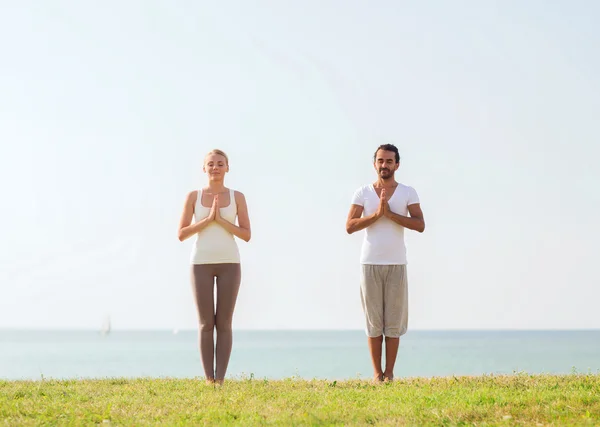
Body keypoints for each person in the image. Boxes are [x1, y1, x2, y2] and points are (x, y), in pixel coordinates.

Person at [346, 144, 425, 382]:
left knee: (393, 321)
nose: (384, 165)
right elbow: (350, 226)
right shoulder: (362, 193)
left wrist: (390, 215)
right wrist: (377, 215)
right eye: (381, 161)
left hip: (397, 264)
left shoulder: (407, 192)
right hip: (369, 264)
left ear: (397, 165)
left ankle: (389, 373)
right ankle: (377, 374)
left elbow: (420, 224)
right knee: (373, 322)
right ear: (374, 164)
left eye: (389, 161)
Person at [177, 149, 251, 385]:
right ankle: (209, 379)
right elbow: (181, 234)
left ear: (227, 167)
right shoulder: (193, 197)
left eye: (220, 164)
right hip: (200, 263)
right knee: (205, 323)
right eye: (211, 164)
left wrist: (221, 221)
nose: (215, 168)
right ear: (204, 168)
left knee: (224, 323)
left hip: (230, 262)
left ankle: (220, 379)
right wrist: (208, 220)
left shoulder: (237, 197)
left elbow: (246, 235)